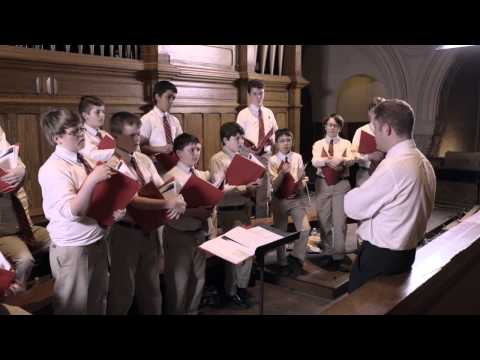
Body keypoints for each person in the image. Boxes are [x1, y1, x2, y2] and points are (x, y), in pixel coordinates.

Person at [344, 99, 436, 292]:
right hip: (406, 252)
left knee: (359, 305)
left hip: (381, 257)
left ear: (386, 129)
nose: (374, 134)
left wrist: (354, 192)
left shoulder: (394, 166)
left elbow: (353, 207)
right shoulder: (423, 161)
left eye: (375, 128)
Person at [106, 112, 186, 315]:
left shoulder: (143, 159)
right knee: (123, 291)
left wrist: (177, 198)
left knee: (152, 288)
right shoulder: (111, 164)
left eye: (138, 134)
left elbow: (161, 186)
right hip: (125, 232)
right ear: (115, 136)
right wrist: (168, 203)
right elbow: (134, 200)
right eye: (132, 135)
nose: (137, 140)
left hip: (149, 230)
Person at [38, 108, 113, 314]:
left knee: (98, 304)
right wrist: (94, 178)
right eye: (74, 131)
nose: (81, 134)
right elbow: (74, 211)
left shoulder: (83, 158)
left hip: (96, 241)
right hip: (74, 249)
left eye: (81, 129)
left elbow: (94, 199)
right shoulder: (53, 168)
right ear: (57, 138)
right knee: (74, 308)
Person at [209, 122, 259, 308]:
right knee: (237, 254)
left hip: (244, 209)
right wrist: (244, 186)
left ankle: (237, 289)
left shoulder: (243, 157)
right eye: (236, 138)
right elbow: (220, 187)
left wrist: (253, 186)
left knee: (244, 252)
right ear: (225, 140)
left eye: (241, 138)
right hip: (228, 211)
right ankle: (235, 291)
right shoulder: (218, 159)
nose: (240, 141)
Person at [163, 133, 214, 314]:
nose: (196, 153)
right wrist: (195, 212)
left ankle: (192, 311)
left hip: (199, 232)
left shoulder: (200, 174)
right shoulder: (170, 177)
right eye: (191, 150)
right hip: (179, 235)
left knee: (198, 278)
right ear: (178, 153)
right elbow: (169, 212)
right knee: (178, 282)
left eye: (198, 149)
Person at [0, 126, 50, 296]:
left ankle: (57, 287)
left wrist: (20, 170)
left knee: (61, 241)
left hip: (24, 223)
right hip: (4, 232)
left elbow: (13, 158)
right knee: (25, 259)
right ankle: (18, 291)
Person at [311, 114, 355, 271]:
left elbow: (352, 158)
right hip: (323, 184)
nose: (332, 128)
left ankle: (339, 255)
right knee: (324, 220)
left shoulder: (346, 143)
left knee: (340, 222)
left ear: (340, 128)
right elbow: (315, 160)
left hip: (341, 184)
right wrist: (327, 161)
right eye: (329, 125)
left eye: (335, 125)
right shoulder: (318, 144)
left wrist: (341, 160)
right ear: (325, 126)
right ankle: (327, 253)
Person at [268, 128, 310, 277]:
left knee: (305, 229)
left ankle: (296, 258)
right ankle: (282, 262)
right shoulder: (272, 160)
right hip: (279, 200)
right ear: (277, 143)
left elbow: (301, 177)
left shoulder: (297, 157)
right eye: (282, 141)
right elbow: (273, 185)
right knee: (281, 233)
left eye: (288, 140)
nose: (286, 144)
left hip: (296, 199)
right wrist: (282, 173)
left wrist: (302, 181)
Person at [236, 79, 278, 218]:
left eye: (261, 93)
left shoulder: (269, 113)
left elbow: (275, 133)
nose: (258, 97)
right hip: (248, 156)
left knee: (263, 195)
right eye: (255, 94)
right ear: (249, 94)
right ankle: (245, 227)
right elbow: (238, 139)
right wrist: (248, 150)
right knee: (247, 193)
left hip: (265, 156)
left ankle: (263, 227)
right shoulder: (243, 114)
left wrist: (272, 141)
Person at [140, 80, 183, 176]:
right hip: (156, 165)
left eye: (173, 98)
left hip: (175, 162)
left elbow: (181, 141)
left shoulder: (174, 120)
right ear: (157, 96)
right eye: (168, 97)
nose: (171, 101)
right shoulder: (147, 120)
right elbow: (140, 147)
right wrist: (160, 149)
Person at [351, 97, 386, 187]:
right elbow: (352, 155)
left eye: (381, 112)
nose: (377, 115)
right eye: (374, 111)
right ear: (369, 113)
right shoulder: (361, 131)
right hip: (364, 174)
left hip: (385, 174)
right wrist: (368, 156)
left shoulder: (390, 131)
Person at [78, 95, 116, 162]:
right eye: (97, 112)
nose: (102, 115)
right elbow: (91, 155)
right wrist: (116, 152)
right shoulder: (81, 135)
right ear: (85, 115)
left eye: (103, 112)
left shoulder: (104, 134)